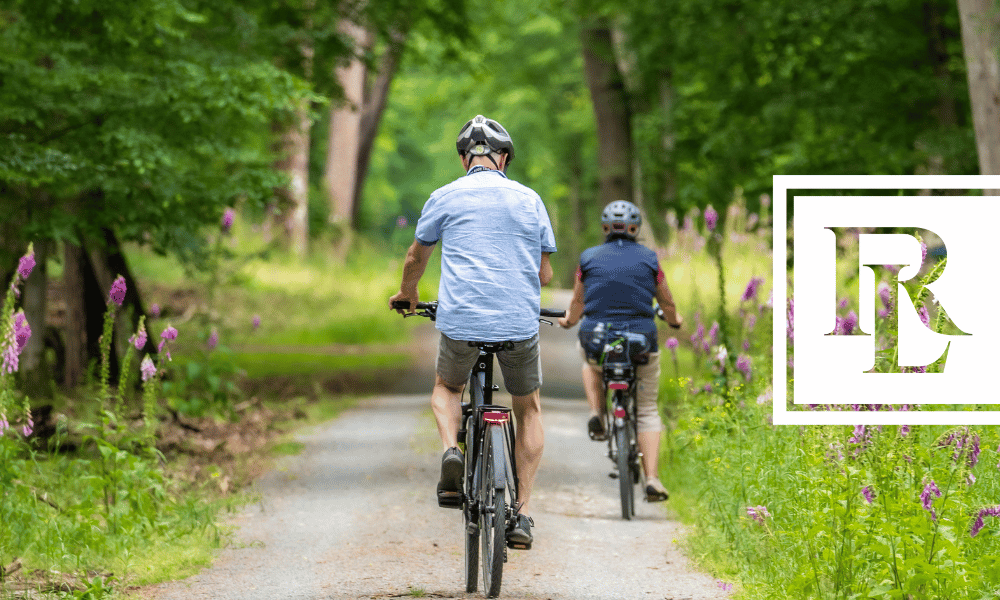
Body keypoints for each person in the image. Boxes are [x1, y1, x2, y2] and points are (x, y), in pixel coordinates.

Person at [389, 115, 556, 548]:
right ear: (503, 158)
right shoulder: (529, 199)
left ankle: (451, 451)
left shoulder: (444, 196)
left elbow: (415, 258)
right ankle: (522, 514)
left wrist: (408, 294)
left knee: (447, 387)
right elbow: (545, 271)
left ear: (465, 159)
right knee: (529, 407)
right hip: (519, 322)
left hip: (461, 320)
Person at [558, 200, 682, 502]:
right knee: (648, 410)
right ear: (635, 228)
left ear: (605, 228)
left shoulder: (588, 258)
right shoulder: (650, 259)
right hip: (641, 341)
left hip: (598, 339)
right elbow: (665, 302)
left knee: (588, 359)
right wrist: (675, 320)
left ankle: (597, 411)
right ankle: (652, 478)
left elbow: (578, 303)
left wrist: (569, 321)